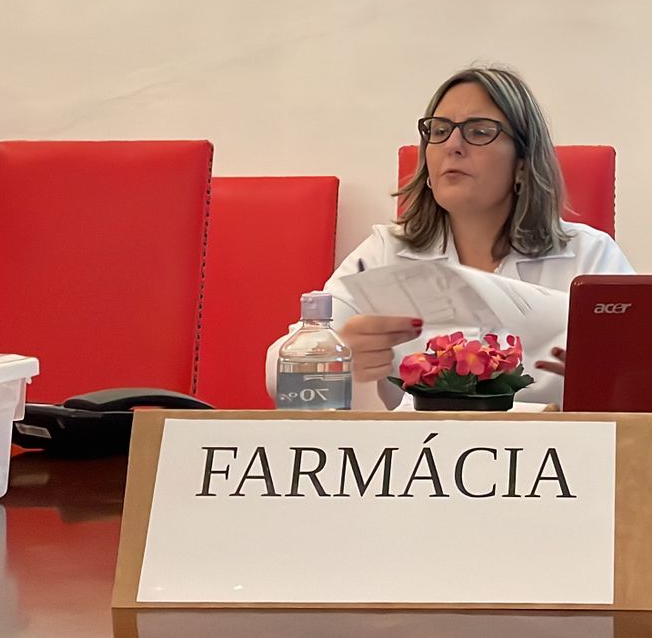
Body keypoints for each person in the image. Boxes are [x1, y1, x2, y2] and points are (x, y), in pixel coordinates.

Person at [263, 65, 632, 409]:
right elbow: (278, 374)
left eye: (479, 131)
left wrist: (611, 378)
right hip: (417, 454)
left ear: (523, 163)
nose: (453, 145)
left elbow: (649, 382)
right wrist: (336, 351)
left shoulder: (590, 256)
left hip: (555, 454)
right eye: (439, 131)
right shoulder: (386, 253)